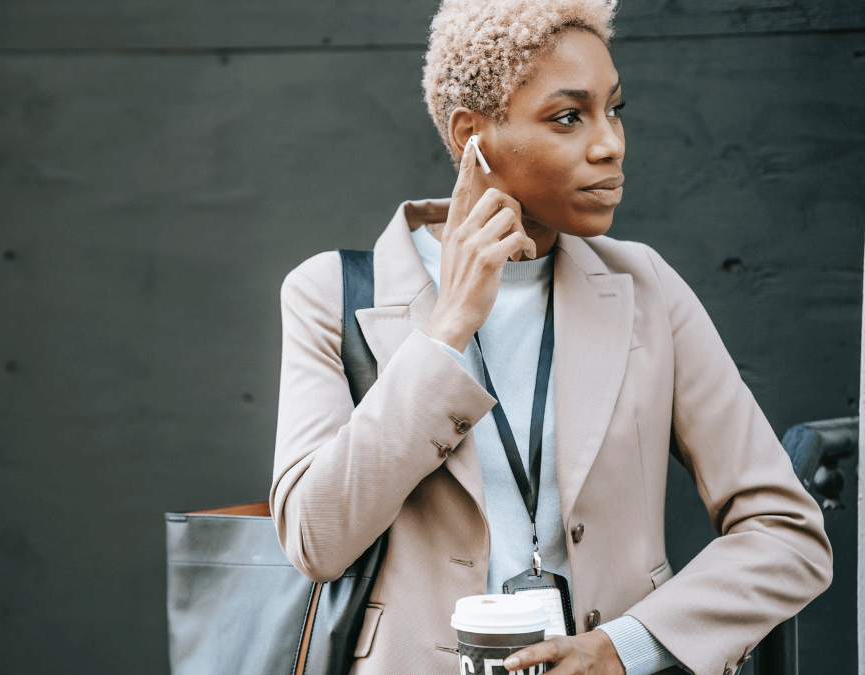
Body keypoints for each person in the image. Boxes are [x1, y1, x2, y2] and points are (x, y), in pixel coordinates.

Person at [269, 1, 834, 674]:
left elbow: (788, 534)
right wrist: (449, 328)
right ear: (471, 136)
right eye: (569, 116)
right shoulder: (326, 293)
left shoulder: (645, 287)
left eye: (614, 109)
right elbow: (315, 540)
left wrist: (624, 646)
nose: (609, 143)